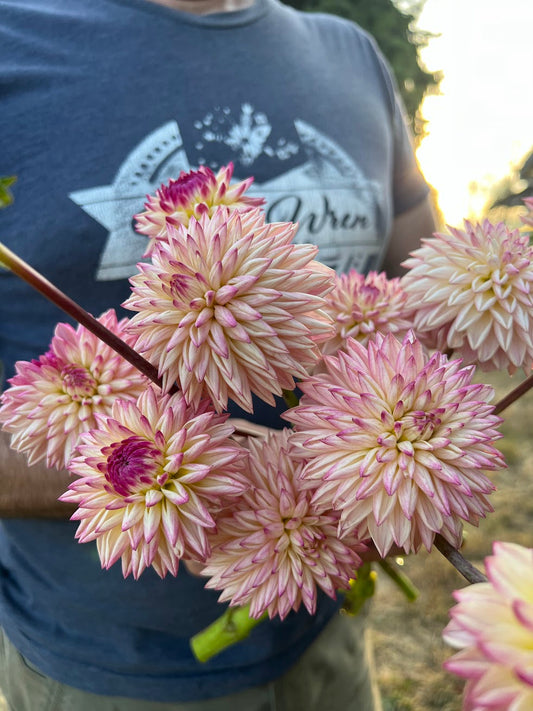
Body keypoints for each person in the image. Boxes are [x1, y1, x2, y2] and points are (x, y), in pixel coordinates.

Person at [0, 0, 436, 708]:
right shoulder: (12, 40)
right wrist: (202, 472)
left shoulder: (352, 54)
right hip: (105, 672)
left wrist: (401, 457)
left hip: (327, 634)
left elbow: (421, 285)